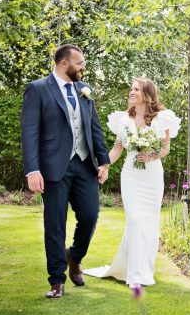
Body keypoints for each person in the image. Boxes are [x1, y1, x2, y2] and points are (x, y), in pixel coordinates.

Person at [21, 44, 110, 299]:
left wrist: (103, 161)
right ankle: (57, 281)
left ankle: (75, 256)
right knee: (55, 225)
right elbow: (29, 132)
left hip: (84, 164)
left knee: (90, 215)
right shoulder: (38, 89)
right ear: (63, 64)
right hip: (53, 167)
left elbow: (95, 127)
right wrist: (33, 170)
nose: (83, 67)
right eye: (79, 63)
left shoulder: (86, 91)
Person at [84, 77, 180, 288]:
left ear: (147, 93)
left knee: (148, 222)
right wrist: (105, 165)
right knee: (135, 219)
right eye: (131, 89)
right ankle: (136, 275)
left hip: (152, 176)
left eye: (136, 89)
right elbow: (118, 148)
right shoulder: (124, 119)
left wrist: (152, 155)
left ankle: (140, 269)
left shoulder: (162, 118)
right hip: (131, 176)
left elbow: (165, 148)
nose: (132, 92)